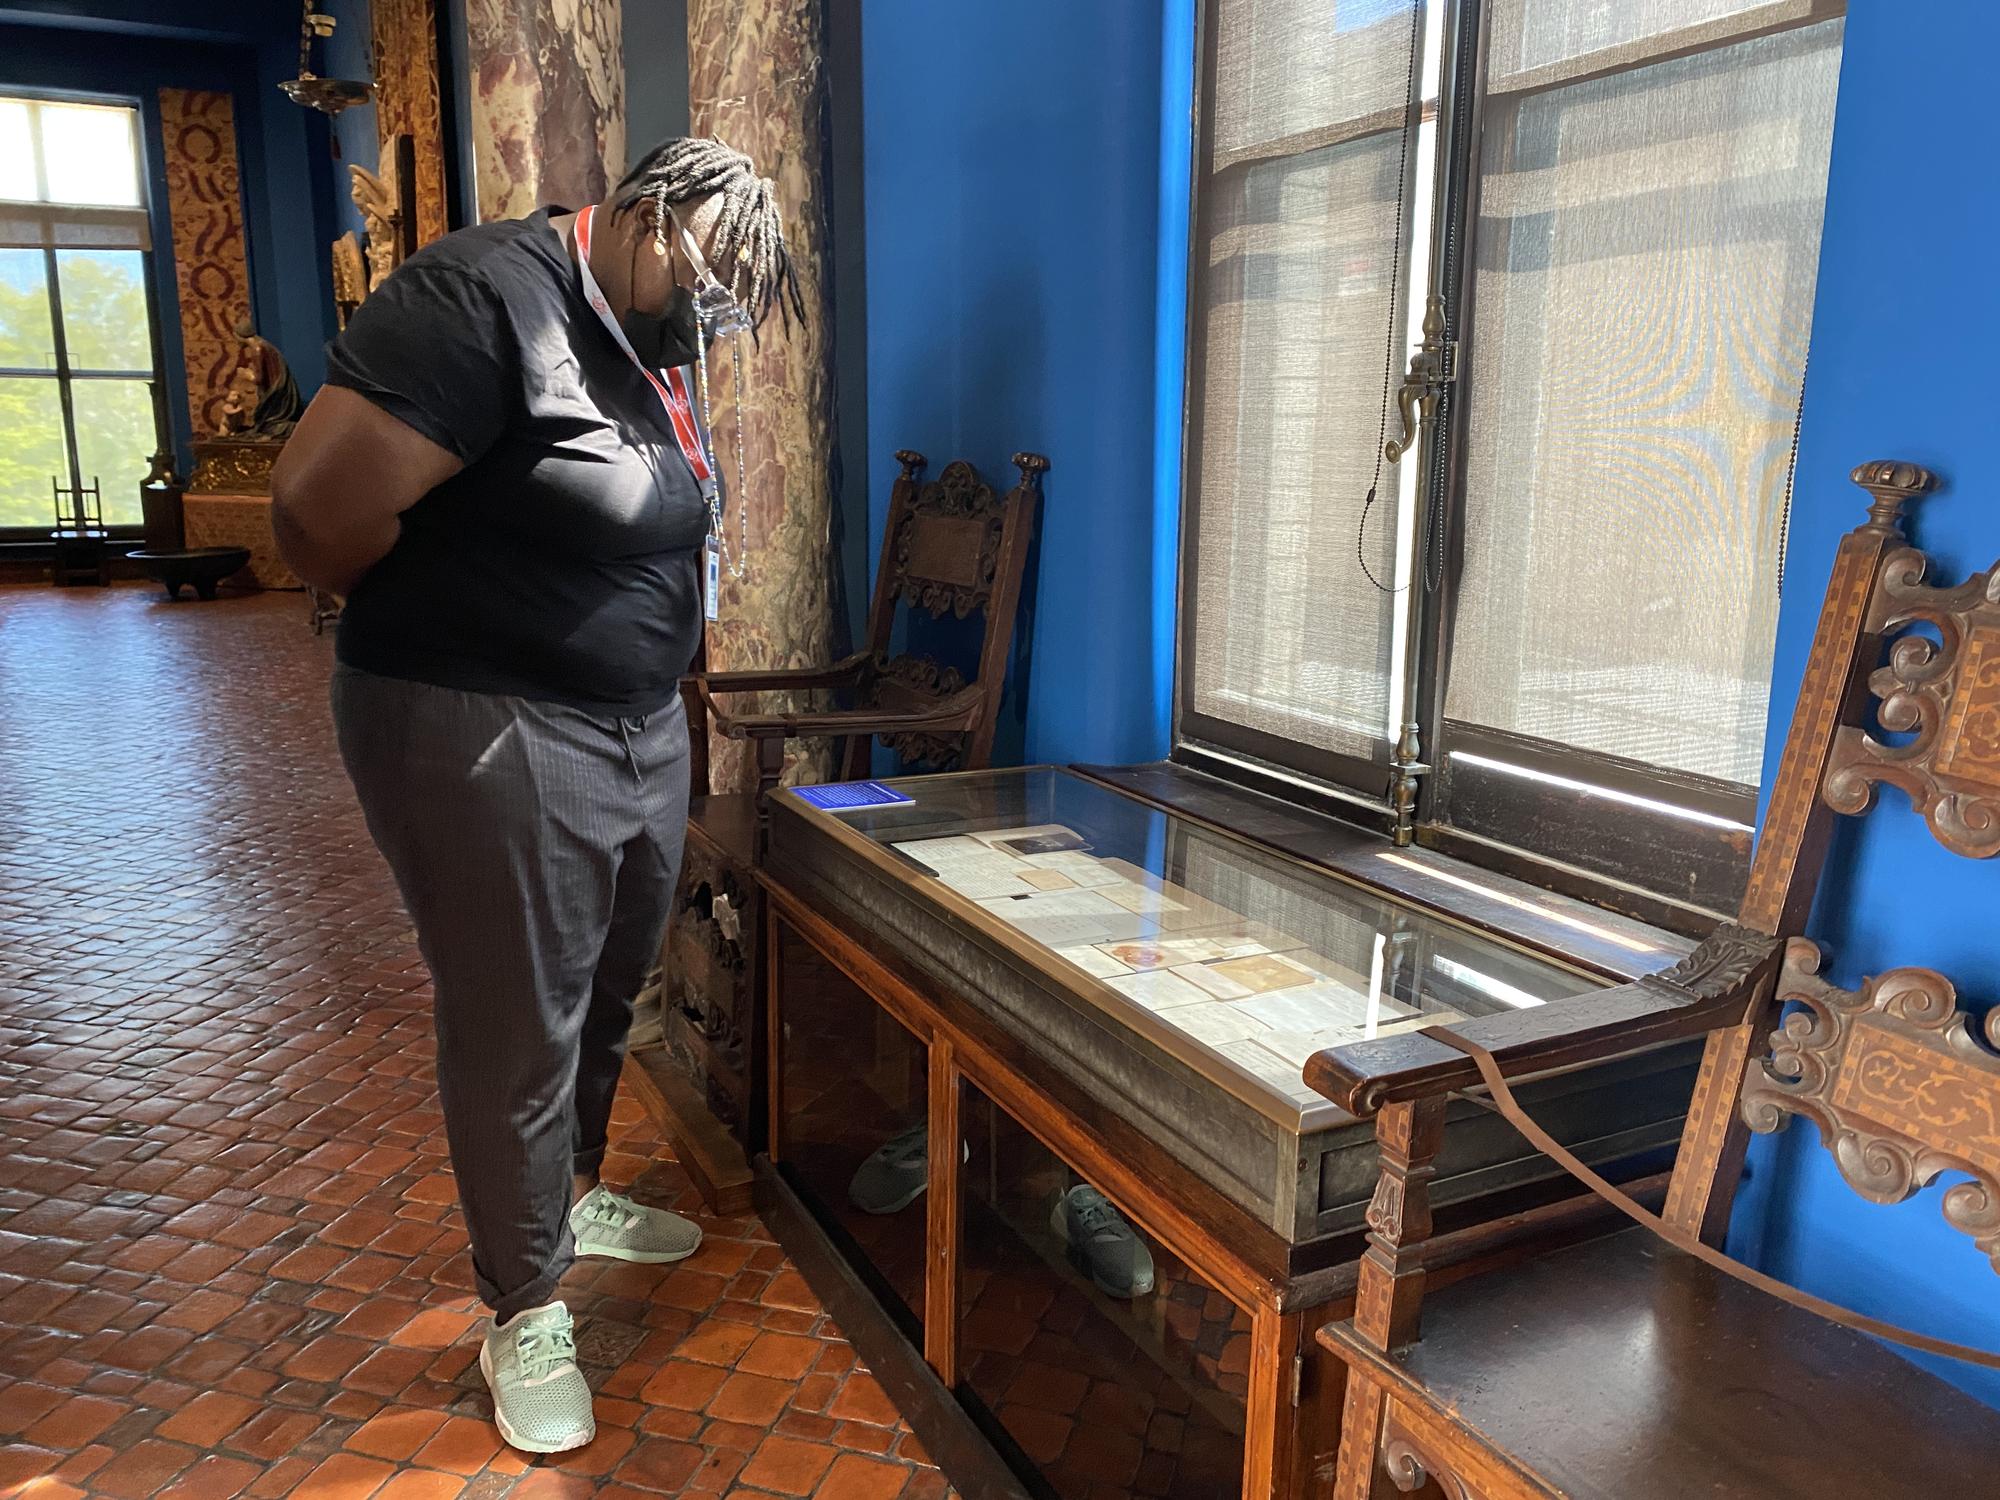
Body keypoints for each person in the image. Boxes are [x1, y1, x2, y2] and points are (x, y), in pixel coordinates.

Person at [271, 137, 803, 1455]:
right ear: (640, 215)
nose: (708, 324)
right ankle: (522, 1306)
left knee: (609, 980)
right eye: (704, 287)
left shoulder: (648, 330)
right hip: (483, 720)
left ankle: (559, 1195)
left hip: (632, 724)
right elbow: (313, 513)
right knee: (518, 1012)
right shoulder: (478, 298)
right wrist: (481, 606)